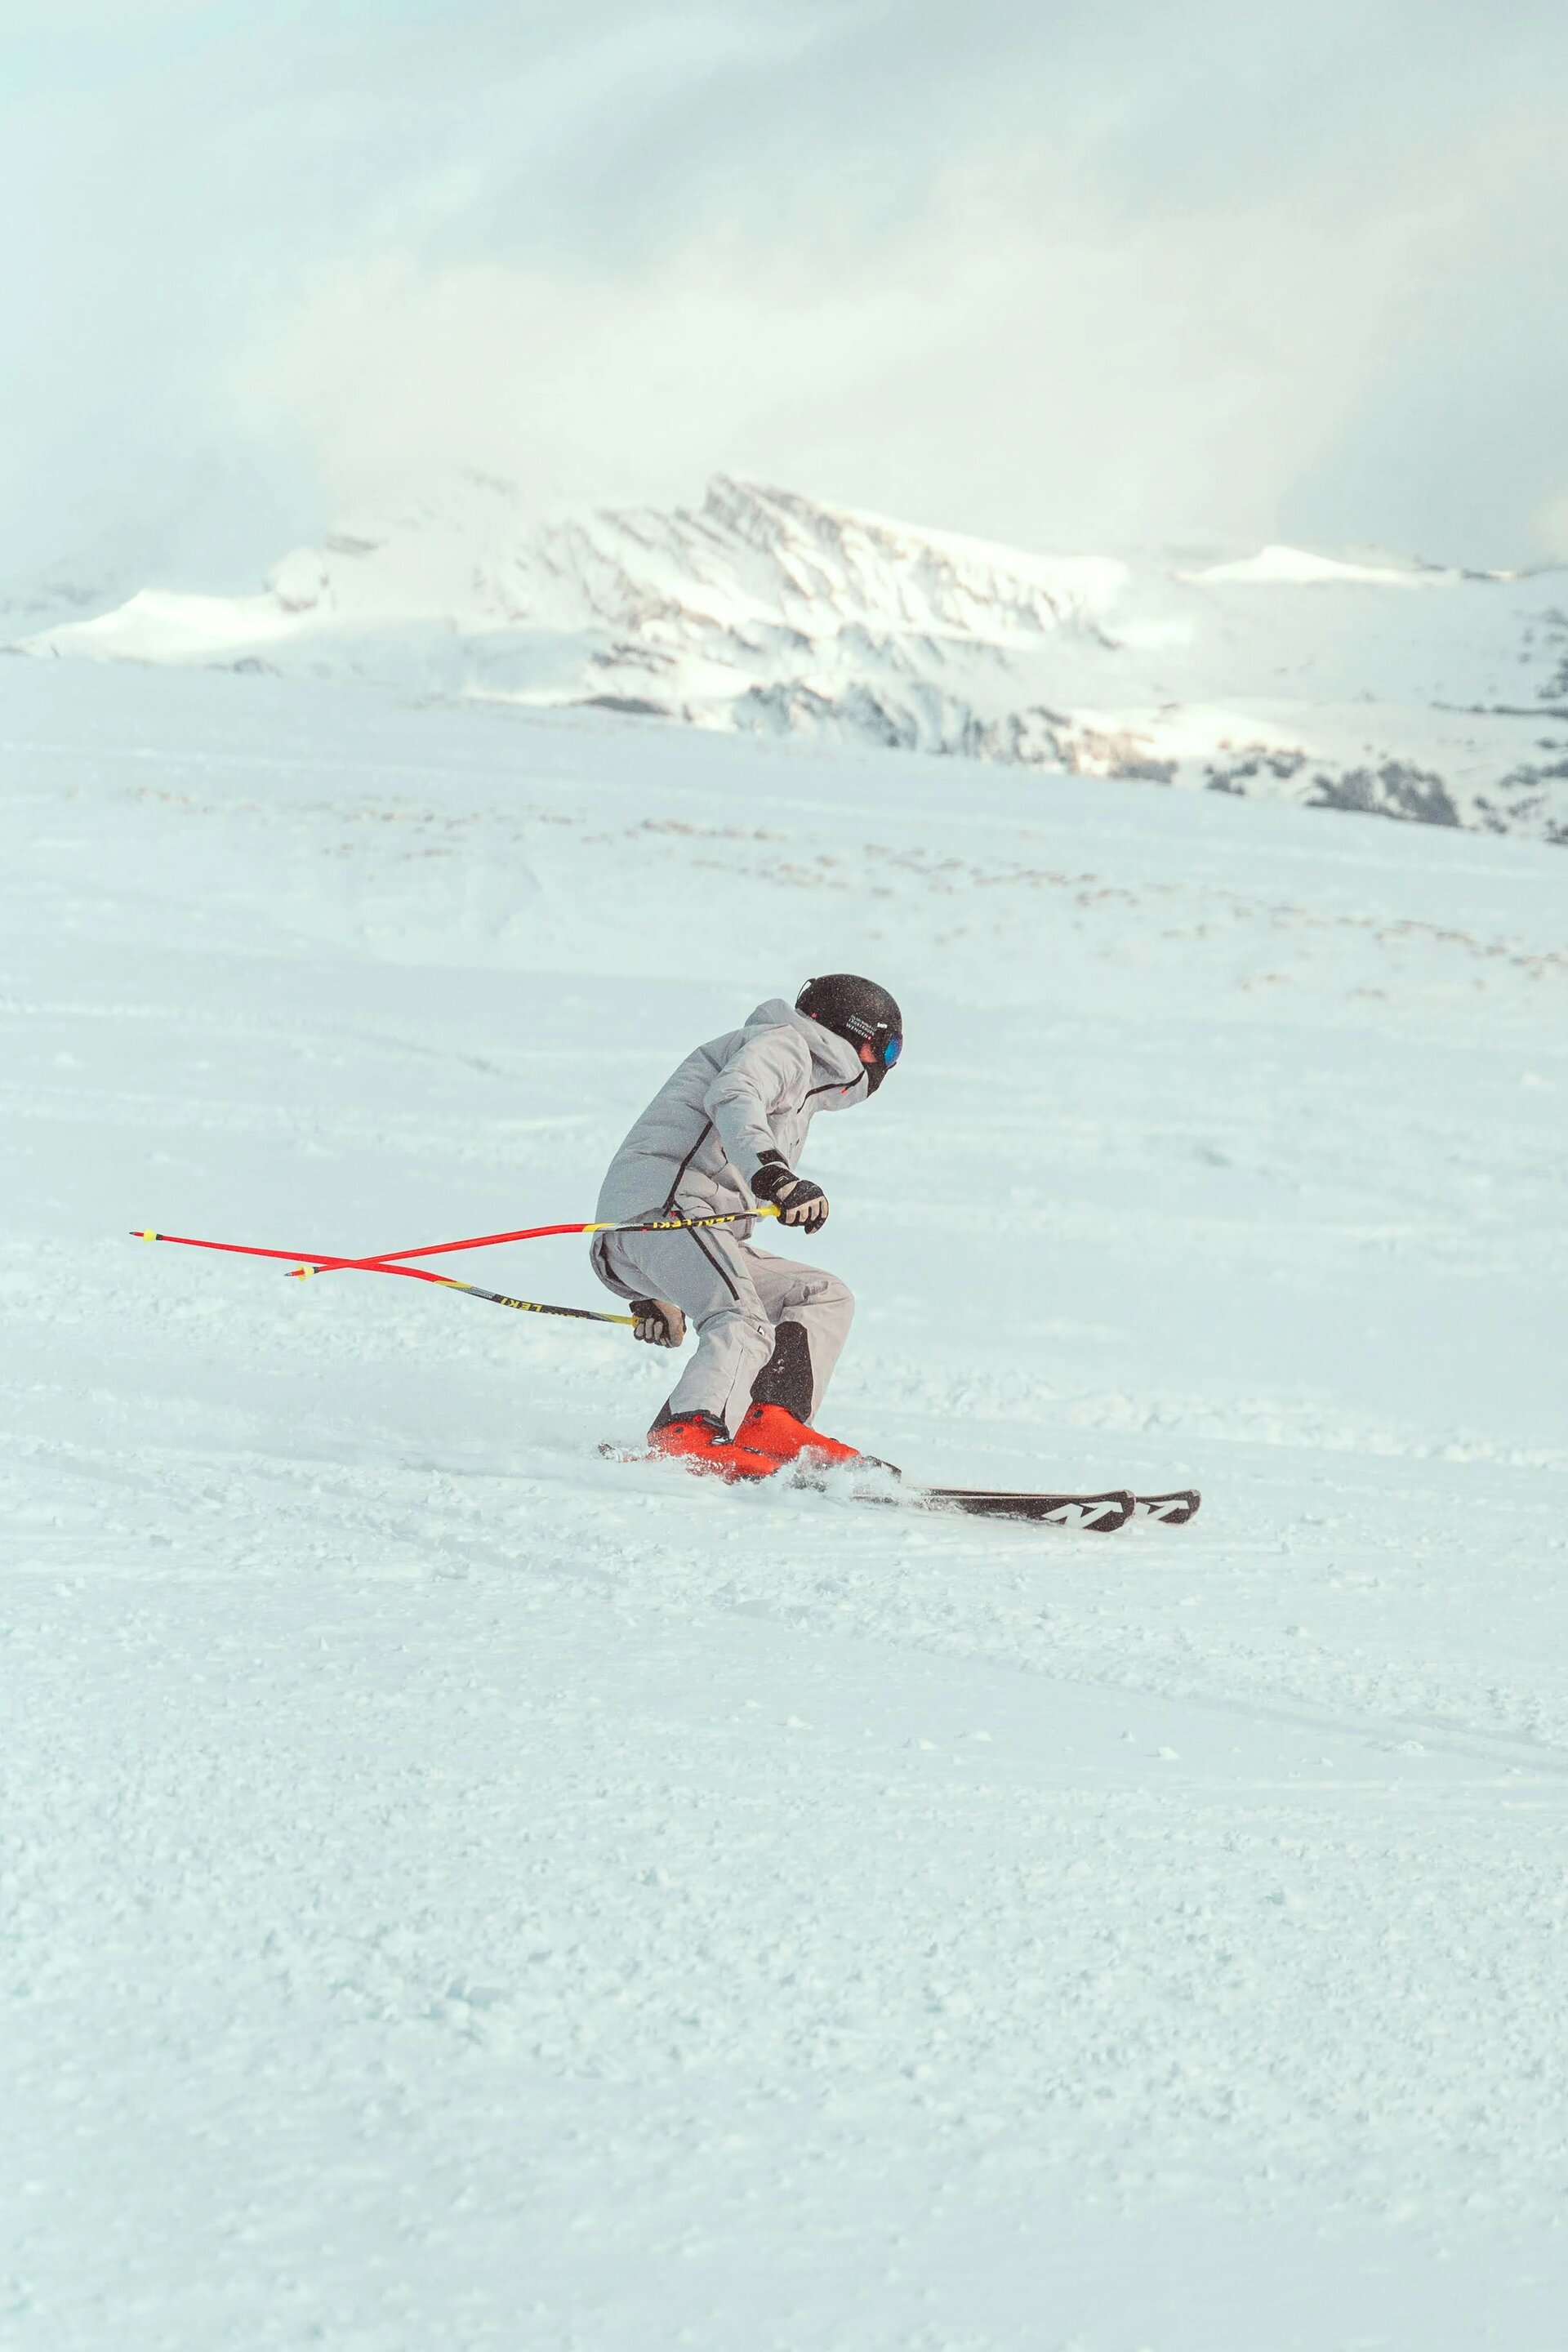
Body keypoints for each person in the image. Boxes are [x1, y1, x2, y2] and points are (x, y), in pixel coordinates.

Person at [590, 974, 902, 1478]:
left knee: (822, 1295)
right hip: (666, 1212)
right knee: (742, 1319)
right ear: (855, 1034)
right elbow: (735, 1095)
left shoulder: (799, 1080)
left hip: (680, 1230)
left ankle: (769, 1421)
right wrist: (775, 1177)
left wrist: (654, 1291)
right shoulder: (784, 1046)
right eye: (886, 1050)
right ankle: (686, 1435)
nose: (885, 1066)